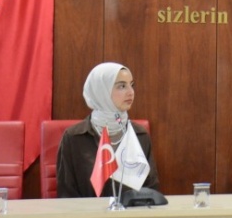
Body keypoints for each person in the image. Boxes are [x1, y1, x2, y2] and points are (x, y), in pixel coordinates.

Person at [56, 62, 160, 198]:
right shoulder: (74, 137)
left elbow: (151, 190)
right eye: (122, 86)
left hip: (130, 211)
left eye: (132, 85)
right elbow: (66, 193)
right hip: (86, 211)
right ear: (101, 91)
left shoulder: (140, 135)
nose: (131, 92)